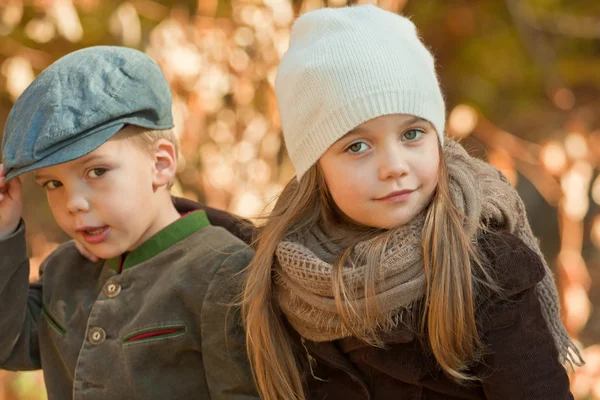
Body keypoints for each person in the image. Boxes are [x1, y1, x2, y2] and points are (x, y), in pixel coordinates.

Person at [242, 5, 582, 400]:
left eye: (412, 134)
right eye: (357, 146)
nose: (394, 167)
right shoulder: (289, 279)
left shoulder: (485, 267)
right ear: (315, 169)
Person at [0, 46, 257, 400]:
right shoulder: (64, 269)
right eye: (53, 184)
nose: (73, 203)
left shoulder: (224, 271)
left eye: (97, 171)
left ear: (161, 164)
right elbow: (7, 343)